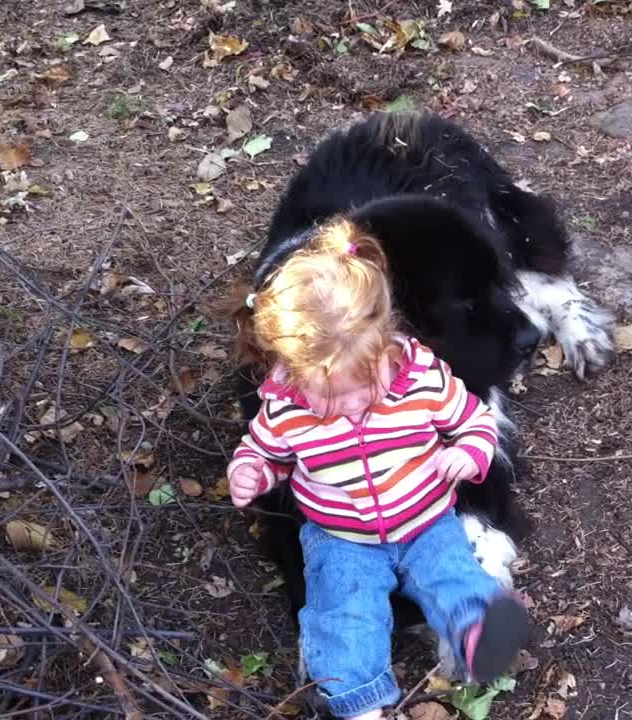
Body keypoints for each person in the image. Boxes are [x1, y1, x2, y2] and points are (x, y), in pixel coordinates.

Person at [226, 219, 529, 720]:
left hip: (427, 519)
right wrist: (252, 472)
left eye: (365, 386)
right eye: (331, 395)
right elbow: (264, 452)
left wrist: (468, 453)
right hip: (341, 536)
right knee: (343, 613)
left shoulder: (420, 378)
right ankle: (357, 697)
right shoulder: (285, 407)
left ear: (386, 343)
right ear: (293, 370)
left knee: (454, 577)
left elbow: (473, 421)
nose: (350, 406)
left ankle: (482, 639)